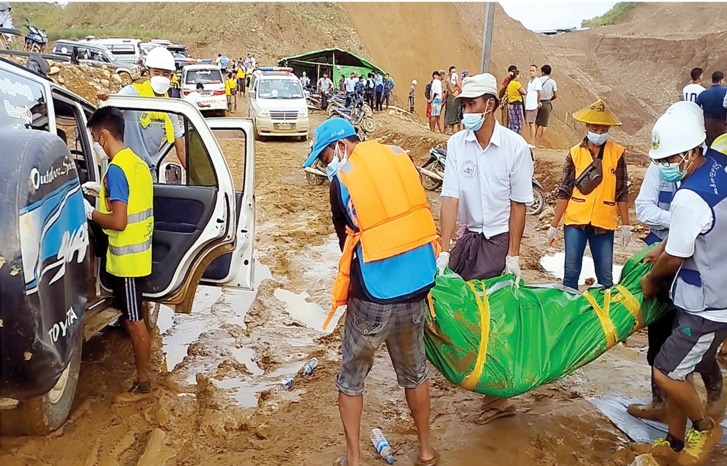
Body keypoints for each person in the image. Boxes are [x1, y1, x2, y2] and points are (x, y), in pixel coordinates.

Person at [303, 119, 439, 466]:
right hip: (418, 285)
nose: (326, 165)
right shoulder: (400, 157)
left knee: (351, 379)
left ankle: (353, 459)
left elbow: (345, 242)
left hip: (374, 294)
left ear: (341, 146)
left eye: (325, 156)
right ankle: (425, 451)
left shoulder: (342, 181)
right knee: (416, 373)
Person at [437, 73, 533, 425]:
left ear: (490, 105)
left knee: (494, 317)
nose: (465, 111)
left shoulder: (514, 148)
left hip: (498, 239)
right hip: (470, 236)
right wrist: (445, 249)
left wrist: (514, 255)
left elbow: (519, 204)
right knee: (450, 296)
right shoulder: (456, 145)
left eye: (471, 104)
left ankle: (499, 397)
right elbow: (449, 196)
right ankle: (472, 368)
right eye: (463, 104)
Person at [639, 105, 727, 465]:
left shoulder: (689, 196)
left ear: (691, 152)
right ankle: (674, 442)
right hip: (709, 292)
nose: (664, 167)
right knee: (683, 370)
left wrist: (651, 277)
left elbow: (675, 257)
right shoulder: (719, 168)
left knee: (665, 371)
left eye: (669, 159)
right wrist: (663, 245)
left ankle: (704, 427)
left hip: (708, 303)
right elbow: (688, 235)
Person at [82, 107, 154, 402]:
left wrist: (91, 212)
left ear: (103, 134)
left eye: (95, 140)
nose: (97, 145)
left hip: (126, 261)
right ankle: (144, 378)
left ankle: (144, 385)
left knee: (134, 321)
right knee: (133, 317)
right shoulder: (136, 163)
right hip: (140, 254)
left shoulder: (116, 170)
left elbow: (119, 221)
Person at [548, 99, 631, 290]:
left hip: (604, 223)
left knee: (606, 278)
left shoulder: (617, 153)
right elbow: (565, 190)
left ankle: (603, 315)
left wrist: (626, 226)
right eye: (595, 129)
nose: (599, 133)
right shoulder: (574, 153)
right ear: (587, 127)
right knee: (570, 273)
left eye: (603, 130)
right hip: (576, 221)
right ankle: (570, 313)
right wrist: (554, 225)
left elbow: (622, 192)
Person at [110, 46, 185, 182]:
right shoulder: (132, 94)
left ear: (172, 77)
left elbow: (181, 150)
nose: (161, 78)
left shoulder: (170, 108)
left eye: (166, 74)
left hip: (148, 174)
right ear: (148, 73)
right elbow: (107, 113)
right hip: (124, 171)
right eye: (156, 73)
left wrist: (198, 179)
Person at [695, 70, 726, 145]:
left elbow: (696, 107)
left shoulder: (703, 93)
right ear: (721, 80)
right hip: (722, 123)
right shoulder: (725, 91)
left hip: (708, 125)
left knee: (710, 146)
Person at [535, 64, 558, 148]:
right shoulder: (552, 82)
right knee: (544, 125)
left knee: (536, 123)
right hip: (547, 103)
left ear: (543, 72)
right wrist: (550, 99)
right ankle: (541, 144)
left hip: (537, 102)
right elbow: (555, 95)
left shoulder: (537, 80)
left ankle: (532, 142)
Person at [524, 64, 543, 148]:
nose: (531, 72)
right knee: (529, 123)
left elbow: (539, 93)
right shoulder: (530, 81)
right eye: (530, 70)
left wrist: (538, 102)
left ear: (536, 71)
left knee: (532, 123)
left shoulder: (537, 81)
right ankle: (530, 141)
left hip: (533, 105)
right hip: (528, 104)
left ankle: (532, 142)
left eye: (533, 71)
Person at [505, 69, 527, 135]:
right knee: (518, 123)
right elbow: (524, 92)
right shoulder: (516, 84)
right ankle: (517, 136)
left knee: (512, 123)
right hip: (517, 104)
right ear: (516, 75)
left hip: (511, 104)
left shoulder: (510, 84)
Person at [444, 65, 461, 135]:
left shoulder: (455, 80)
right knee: (449, 113)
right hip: (450, 98)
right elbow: (451, 90)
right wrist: (456, 88)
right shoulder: (448, 80)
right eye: (452, 72)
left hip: (455, 98)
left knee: (454, 114)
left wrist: (457, 81)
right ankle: (448, 129)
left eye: (455, 71)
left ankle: (453, 129)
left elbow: (460, 87)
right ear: (450, 73)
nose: (454, 73)